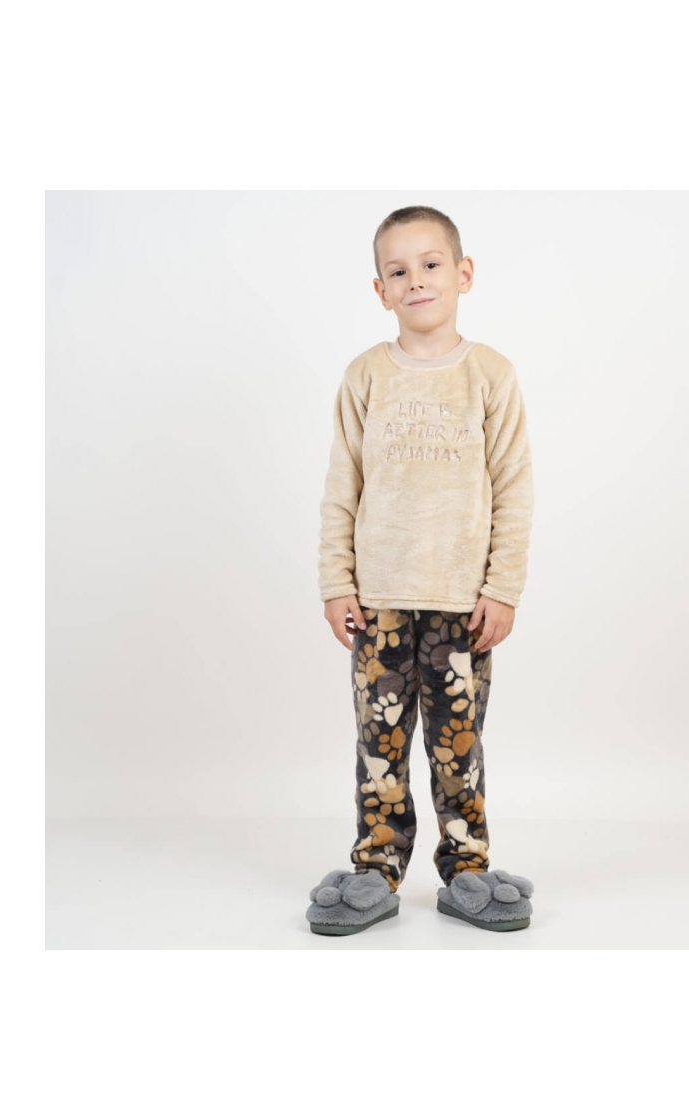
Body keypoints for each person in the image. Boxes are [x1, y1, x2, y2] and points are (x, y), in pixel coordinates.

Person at [305, 205, 537, 936]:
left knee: (457, 744)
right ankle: (375, 870)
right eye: (398, 271)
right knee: (379, 747)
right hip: (378, 603)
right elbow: (342, 486)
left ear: (463, 274)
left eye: (431, 264)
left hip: (461, 605)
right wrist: (336, 582)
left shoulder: (490, 375)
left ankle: (467, 867)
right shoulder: (366, 376)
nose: (417, 281)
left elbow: (514, 487)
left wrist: (502, 588)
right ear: (381, 290)